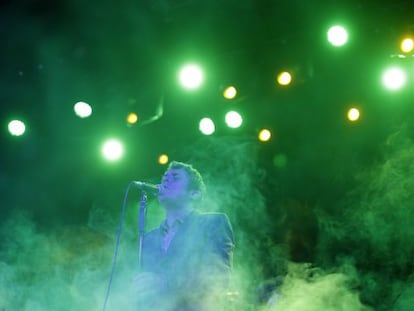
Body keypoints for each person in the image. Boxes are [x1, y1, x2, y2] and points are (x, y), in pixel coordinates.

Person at [132, 161, 235, 310]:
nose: (165, 180)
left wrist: (166, 284)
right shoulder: (149, 238)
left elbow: (218, 277)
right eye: (164, 177)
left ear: (194, 193)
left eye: (175, 177)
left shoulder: (213, 223)